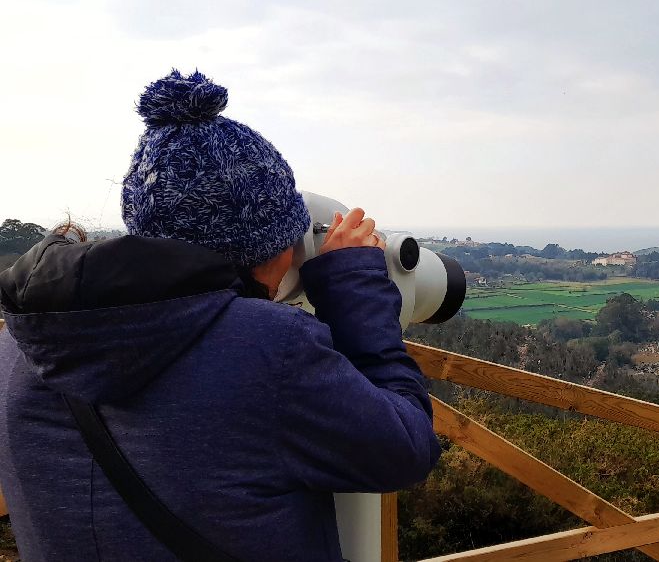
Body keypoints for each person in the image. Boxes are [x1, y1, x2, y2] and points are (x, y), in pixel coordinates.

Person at [0, 70, 441, 560]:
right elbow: (407, 450)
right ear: (269, 249)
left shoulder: (20, 342)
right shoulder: (271, 351)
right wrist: (355, 291)